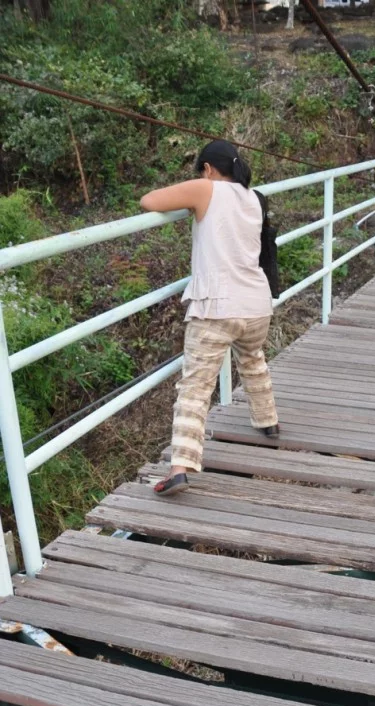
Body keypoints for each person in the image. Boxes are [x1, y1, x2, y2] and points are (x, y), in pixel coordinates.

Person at [140, 139, 279, 497]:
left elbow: (149, 201)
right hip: (256, 304)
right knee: (252, 358)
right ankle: (268, 421)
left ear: (208, 168)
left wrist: (193, 201)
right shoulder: (255, 197)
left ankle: (179, 469)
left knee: (195, 387)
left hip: (217, 306)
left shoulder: (206, 189)